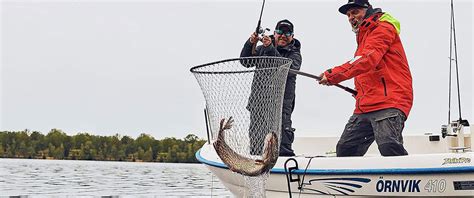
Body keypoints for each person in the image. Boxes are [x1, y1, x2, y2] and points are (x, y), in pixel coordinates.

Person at [318, 0, 413, 157]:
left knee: (388, 145)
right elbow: (370, 69)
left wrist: (333, 75)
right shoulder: (364, 35)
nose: (351, 17)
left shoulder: (382, 28)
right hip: (366, 104)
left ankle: (409, 179)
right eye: (348, 15)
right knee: (345, 149)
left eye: (355, 12)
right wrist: (360, 92)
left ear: (367, 10)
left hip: (390, 101)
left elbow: (366, 59)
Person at [240, 19, 302, 156]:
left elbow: (287, 70)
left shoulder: (295, 54)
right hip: (258, 104)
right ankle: (257, 169)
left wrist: (270, 49)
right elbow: (245, 61)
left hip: (280, 106)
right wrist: (251, 42)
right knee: (257, 144)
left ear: (292, 36)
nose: (283, 36)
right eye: (280, 32)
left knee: (283, 145)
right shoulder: (262, 49)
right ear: (274, 33)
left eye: (287, 33)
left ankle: (284, 170)